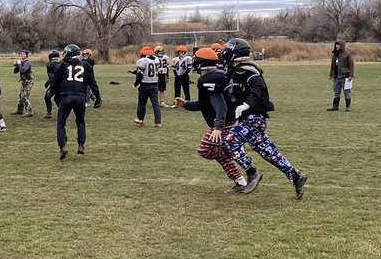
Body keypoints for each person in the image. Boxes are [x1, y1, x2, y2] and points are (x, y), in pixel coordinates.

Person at [221, 38, 308, 200]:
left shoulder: (244, 70)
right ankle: (296, 176)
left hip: (253, 117)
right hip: (248, 118)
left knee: (230, 140)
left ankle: (252, 173)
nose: (224, 53)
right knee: (268, 152)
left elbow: (258, 86)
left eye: (228, 50)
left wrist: (247, 104)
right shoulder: (234, 71)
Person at [178, 47, 249, 193]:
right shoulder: (216, 75)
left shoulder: (208, 79)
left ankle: (237, 156)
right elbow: (204, 104)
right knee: (219, 154)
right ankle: (240, 181)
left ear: (201, 62)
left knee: (205, 150)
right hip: (228, 121)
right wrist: (186, 104)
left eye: (196, 59)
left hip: (225, 123)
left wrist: (218, 127)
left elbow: (220, 106)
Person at [49, 43, 101, 158]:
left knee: (61, 123)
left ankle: (62, 147)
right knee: (80, 121)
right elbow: (93, 84)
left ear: (69, 53)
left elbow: (54, 84)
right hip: (80, 97)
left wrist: (49, 94)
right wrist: (98, 98)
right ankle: (81, 145)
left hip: (65, 97)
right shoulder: (86, 66)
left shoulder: (61, 66)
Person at [132, 45, 162, 127]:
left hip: (145, 85)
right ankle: (158, 122)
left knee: (142, 103)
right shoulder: (156, 60)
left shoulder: (142, 61)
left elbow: (140, 75)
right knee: (156, 104)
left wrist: (136, 83)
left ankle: (140, 120)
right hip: (154, 84)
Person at [329, 40, 355, 111]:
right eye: (336, 45)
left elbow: (351, 65)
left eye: (338, 45)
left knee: (347, 91)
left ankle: (348, 107)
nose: (337, 46)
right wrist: (331, 75)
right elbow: (332, 66)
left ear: (342, 46)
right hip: (336, 77)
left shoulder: (347, 54)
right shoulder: (334, 55)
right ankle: (335, 107)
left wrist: (351, 75)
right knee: (336, 92)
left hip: (345, 76)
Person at [12, 50, 35, 116]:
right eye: (21, 54)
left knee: (24, 96)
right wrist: (16, 66)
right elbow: (15, 71)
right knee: (20, 96)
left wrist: (19, 64)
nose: (22, 55)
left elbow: (23, 70)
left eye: (24, 54)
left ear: (27, 55)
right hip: (24, 82)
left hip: (28, 82)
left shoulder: (27, 63)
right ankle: (20, 110)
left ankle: (29, 112)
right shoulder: (22, 62)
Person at [43, 49, 60, 118]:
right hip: (61, 84)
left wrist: (48, 83)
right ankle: (62, 111)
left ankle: (49, 113)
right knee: (57, 98)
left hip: (54, 85)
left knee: (47, 97)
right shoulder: (61, 63)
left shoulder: (50, 65)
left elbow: (52, 76)